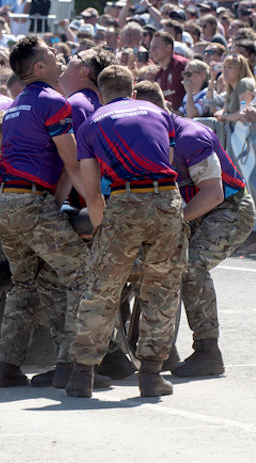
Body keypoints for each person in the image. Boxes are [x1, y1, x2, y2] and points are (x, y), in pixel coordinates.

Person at [69, 65, 186, 398]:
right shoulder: (160, 113)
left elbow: (91, 191)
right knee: (162, 285)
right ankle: (150, 374)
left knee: (102, 286)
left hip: (123, 199)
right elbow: (171, 160)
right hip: (165, 197)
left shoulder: (92, 124)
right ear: (133, 91)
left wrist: (101, 230)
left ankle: (82, 375)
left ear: (101, 95)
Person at [0, 35, 92, 390]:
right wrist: (97, 206)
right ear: (39, 67)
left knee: (24, 282)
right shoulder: (54, 102)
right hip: (27, 202)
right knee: (81, 272)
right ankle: (70, 363)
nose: (59, 55)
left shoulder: (16, 104)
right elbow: (73, 163)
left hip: (0, 200)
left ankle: (6, 365)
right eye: (52, 52)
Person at [134, 81, 255, 379]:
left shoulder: (192, 136)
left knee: (192, 266)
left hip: (228, 208)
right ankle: (161, 347)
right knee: (157, 265)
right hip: (190, 211)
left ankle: (208, 351)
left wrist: (175, 221)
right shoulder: (152, 137)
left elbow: (213, 194)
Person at [150, 30, 188, 110]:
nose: (152, 50)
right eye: (151, 47)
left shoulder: (181, 66)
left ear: (169, 48)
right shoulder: (158, 75)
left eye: (156, 47)